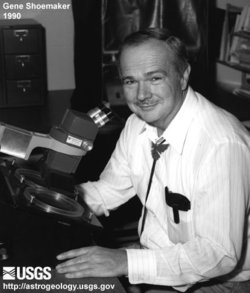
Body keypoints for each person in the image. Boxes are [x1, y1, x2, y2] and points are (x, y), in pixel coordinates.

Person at [56, 28, 250, 292]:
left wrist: (126, 262)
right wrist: (54, 199)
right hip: (163, 252)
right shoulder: (136, 125)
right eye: (130, 81)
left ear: (183, 77)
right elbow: (108, 190)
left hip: (221, 279)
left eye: (155, 78)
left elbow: (219, 254)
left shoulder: (221, 145)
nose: (141, 95)